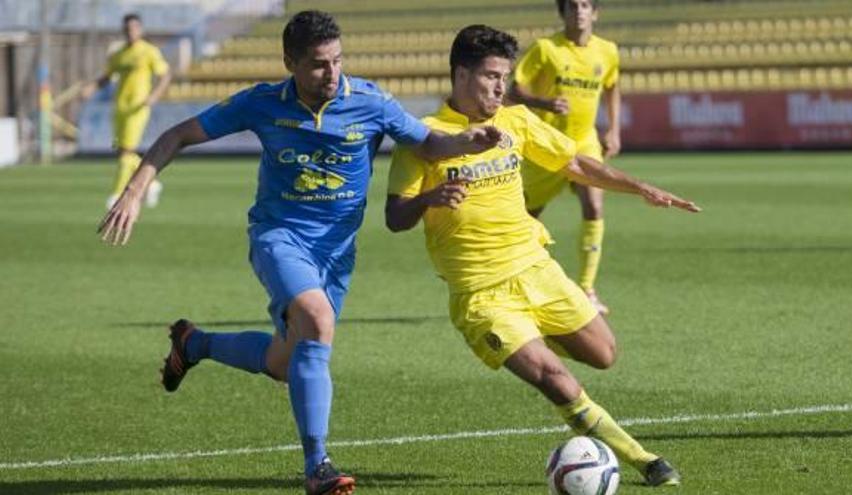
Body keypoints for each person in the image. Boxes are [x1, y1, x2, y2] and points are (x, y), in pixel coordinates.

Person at [97, 11, 501, 495]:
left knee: (287, 363)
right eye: (317, 64)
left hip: (336, 253)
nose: (331, 74)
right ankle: (318, 467)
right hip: (278, 236)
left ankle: (194, 344)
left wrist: (463, 143)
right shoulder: (263, 103)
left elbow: (428, 143)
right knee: (317, 319)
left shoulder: (370, 101)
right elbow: (177, 134)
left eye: (337, 61)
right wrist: (135, 191)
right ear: (289, 62)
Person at [385, 25, 699, 487]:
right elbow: (395, 217)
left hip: (536, 268)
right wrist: (427, 200)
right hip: (483, 294)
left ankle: (534, 337)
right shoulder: (426, 137)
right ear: (461, 74)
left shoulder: (515, 120)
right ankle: (645, 460)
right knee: (556, 378)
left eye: (505, 77)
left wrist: (640, 188)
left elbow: (573, 162)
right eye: (491, 76)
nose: (500, 87)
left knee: (604, 353)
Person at [508, 0, 620, 314]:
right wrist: (544, 103)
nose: (579, 11)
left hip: (585, 144)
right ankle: (517, 281)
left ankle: (587, 289)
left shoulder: (607, 51)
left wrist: (613, 129)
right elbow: (514, 90)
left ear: (595, 13)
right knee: (526, 217)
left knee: (594, 205)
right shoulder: (545, 49)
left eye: (585, 5)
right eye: (572, 6)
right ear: (563, 13)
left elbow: (612, 87)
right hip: (545, 146)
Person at [81, 13, 172, 210]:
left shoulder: (149, 52)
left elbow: (165, 75)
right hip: (119, 108)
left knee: (126, 152)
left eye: (134, 28)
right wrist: (92, 87)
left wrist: (154, 96)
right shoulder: (119, 54)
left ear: (140, 29)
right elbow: (107, 76)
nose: (130, 32)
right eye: (127, 29)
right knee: (120, 150)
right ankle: (153, 182)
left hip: (137, 108)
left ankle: (116, 194)